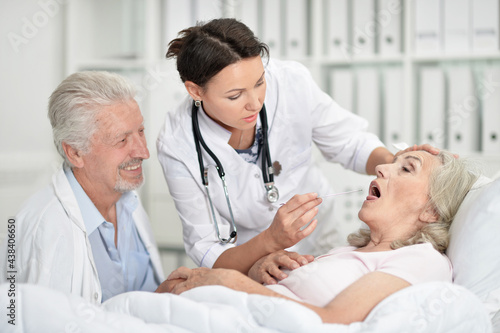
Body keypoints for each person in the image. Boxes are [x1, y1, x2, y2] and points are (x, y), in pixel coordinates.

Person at [156, 18, 438, 275]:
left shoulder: (291, 82)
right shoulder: (176, 143)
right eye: (235, 95)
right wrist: (269, 242)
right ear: (195, 90)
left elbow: (350, 143)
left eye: (259, 82)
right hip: (250, 260)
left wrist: (396, 162)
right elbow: (208, 251)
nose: (255, 102)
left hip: (320, 236)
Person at [159, 150, 479, 324]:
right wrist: (259, 272)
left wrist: (232, 282)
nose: (382, 169)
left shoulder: (422, 260)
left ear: (432, 211)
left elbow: (331, 322)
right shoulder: (349, 251)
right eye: (391, 162)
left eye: (406, 169)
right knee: (172, 284)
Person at [0, 71, 164, 304]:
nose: (143, 152)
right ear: (75, 153)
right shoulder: (47, 231)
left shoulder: (128, 201)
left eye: (141, 131)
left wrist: (167, 293)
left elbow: (135, 300)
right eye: (122, 140)